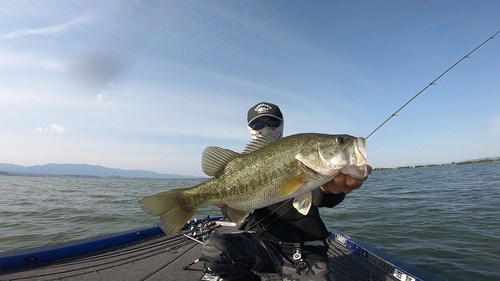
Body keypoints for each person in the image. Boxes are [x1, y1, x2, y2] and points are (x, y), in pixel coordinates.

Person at [200, 102, 372, 281]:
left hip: (305, 249)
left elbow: (321, 196)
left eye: (272, 123)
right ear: (249, 128)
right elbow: (240, 215)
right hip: (263, 245)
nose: (266, 128)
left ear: (281, 124)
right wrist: (226, 206)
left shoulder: (302, 158)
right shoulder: (242, 165)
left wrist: (330, 189)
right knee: (214, 249)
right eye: (258, 125)